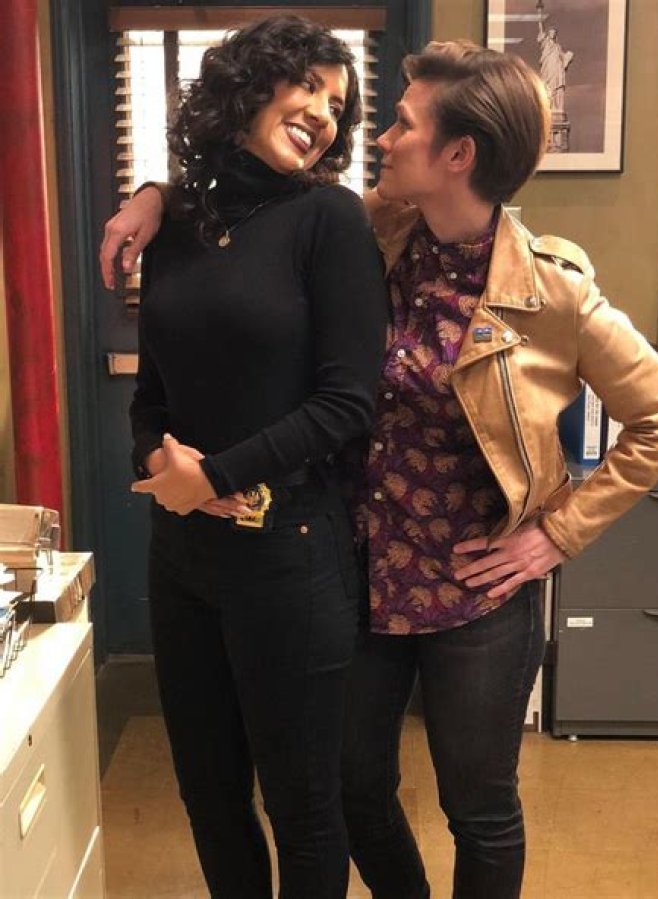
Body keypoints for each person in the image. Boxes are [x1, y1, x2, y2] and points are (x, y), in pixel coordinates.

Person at [101, 40, 658, 899]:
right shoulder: (381, 230)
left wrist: (556, 536)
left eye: (402, 124)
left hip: (474, 586)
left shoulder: (552, 291)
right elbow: (256, 202)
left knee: (478, 806)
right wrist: (156, 195)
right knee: (355, 791)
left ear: (458, 154)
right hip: (366, 571)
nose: (373, 136)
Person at [107, 16, 388, 899]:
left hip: (291, 554)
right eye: (310, 87)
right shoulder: (178, 223)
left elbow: (349, 402)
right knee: (209, 794)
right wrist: (161, 464)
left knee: (303, 808)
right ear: (251, 83)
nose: (326, 116)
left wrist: (217, 476)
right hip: (182, 555)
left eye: (339, 106)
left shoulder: (329, 220)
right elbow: (152, 394)